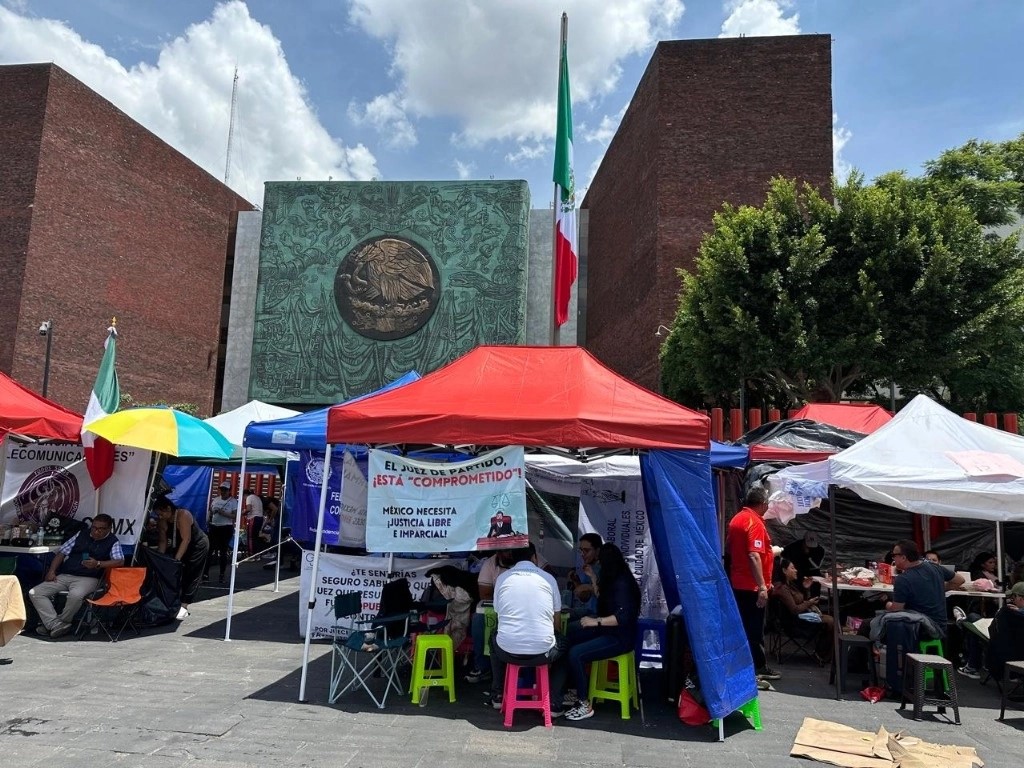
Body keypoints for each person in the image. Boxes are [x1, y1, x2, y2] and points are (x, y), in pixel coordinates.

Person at [558, 543, 641, 721]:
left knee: (576, 653)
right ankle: (572, 688)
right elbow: (601, 595)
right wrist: (593, 577)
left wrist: (595, 621)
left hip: (619, 637)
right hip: (607, 630)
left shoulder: (623, 584)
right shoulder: (613, 577)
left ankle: (583, 703)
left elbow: (622, 617)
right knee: (570, 636)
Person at [877, 539, 964, 694]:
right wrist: (938, 588)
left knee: (871, 624)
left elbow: (896, 609)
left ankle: (874, 675)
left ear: (903, 557)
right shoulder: (934, 567)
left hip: (922, 628)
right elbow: (959, 580)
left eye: (894, 555)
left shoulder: (903, 579)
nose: (893, 559)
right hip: (940, 625)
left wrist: (887, 604)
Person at [488, 545, 562, 713]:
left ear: (513, 558)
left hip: (507, 651)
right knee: (565, 645)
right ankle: (554, 702)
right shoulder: (548, 578)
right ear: (534, 557)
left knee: (493, 638)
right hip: (543, 653)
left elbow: (500, 615)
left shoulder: (503, 578)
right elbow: (556, 620)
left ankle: (498, 694)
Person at [28, 514, 124, 638]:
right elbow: (62, 552)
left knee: (75, 595)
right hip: (66, 574)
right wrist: (52, 571)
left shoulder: (112, 541)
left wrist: (99, 563)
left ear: (109, 529)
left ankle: (59, 623)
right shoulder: (82, 534)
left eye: (101, 529)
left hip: (90, 578)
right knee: (35, 592)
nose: (96, 531)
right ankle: (54, 624)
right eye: (94, 528)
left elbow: (120, 561)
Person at [726, 486, 779, 680]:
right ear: (763, 504)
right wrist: (763, 587)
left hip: (738, 582)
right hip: (752, 586)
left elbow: (731, 550)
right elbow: (753, 555)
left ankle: (741, 665)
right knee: (755, 628)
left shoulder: (736, 519)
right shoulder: (754, 522)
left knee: (742, 625)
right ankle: (759, 666)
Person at [154, 496, 210, 620]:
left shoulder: (183, 515)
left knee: (191, 574)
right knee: (174, 573)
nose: (160, 517)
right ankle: (172, 602)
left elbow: (186, 539)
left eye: (161, 513)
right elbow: (163, 542)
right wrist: (160, 559)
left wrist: (177, 559)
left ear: (168, 508)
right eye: (158, 515)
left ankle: (184, 605)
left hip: (196, 545)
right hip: (179, 545)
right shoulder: (162, 521)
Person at [773, 557, 833, 663]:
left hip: (801, 616)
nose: (796, 570)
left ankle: (823, 653)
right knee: (831, 622)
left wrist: (807, 588)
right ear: (784, 570)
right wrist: (809, 603)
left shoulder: (791, 585)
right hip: (795, 623)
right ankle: (822, 654)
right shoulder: (783, 589)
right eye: (792, 568)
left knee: (832, 621)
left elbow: (801, 601)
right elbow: (795, 609)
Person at [206, 481, 235, 583]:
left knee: (223, 552)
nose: (222, 492)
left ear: (229, 491)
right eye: (221, 489)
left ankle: (221, 574)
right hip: (214, 526)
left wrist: (222, 513)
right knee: (209, 550)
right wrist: (210, 517)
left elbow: (235, 516)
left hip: (226, 528)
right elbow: (210, 510)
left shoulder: (233, 501)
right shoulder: (215, 499)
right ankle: (205, 574)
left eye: (225, 490)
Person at [566, 532, 602, 616]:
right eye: (581, 550)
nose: (582, 554)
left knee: (567, 627)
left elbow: (607, 596)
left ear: (597, 550)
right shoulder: (589, 567)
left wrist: (588, 587)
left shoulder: (606, 568)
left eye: (586, 550)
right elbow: (584, 597)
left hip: (601, 617)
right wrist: (576, 583)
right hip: (589, 611)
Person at [244, 489, 264, 555]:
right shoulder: (257, 497)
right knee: (256, 537)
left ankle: (251, 554)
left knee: (250, 537)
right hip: (260, 518)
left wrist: (242, 513)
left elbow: (248, 509)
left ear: (245, 495)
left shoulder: (249, 498)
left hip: (253, 518)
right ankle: (257, 554)